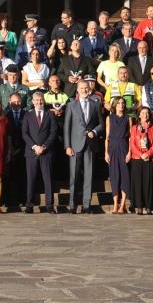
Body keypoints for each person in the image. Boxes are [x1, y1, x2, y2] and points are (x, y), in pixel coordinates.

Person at [64, 81, 104, 214]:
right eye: (81, 88)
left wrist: (95, 131)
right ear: (77, 90)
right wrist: (67, 146)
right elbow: (67, 127)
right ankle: (73, 205)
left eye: (86, 88)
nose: (84, 90)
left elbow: (101, 124)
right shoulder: (71, 105)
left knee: (89, 176)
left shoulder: (96, 104)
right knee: (74, 177)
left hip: (90, 145)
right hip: (75, 145)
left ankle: (87, 205)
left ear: (90, 89)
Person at [22, 92, 58, 213]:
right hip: (31, 152)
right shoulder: (27, 115)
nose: (39, 102)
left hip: (46, 152)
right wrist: (34, 147)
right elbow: (24, 133)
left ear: (44, 100)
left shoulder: (50, 114)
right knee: (30, 178)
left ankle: (49, 205)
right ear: (32, 102)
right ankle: (29, 204)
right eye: (36, 100)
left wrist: (44, 146)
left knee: (48, 179)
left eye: (41, 100)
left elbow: (53, 132)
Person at [129, 106, 153, 215]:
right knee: (138, 183)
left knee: (149, 183)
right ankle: (139, 206)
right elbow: (132, 144)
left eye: (147, 113)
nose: (145, 115)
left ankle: (149, 206)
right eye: (143, 112)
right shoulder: (134, 128)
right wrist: (141, 154)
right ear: (139, 115)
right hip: (138, 159)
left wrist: (148, 153)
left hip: (151, 158)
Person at [104, 97, 132, 214]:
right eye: (118, 103)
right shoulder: (109, 118)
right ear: (114, 105)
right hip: (112, 148)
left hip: (124, 147)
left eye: (123, 103)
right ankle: (115, 204)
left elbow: (131, 137)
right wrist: (106, 152)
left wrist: (130, 152)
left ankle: (123, 205)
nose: (121, 105)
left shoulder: (128, 118)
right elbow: (107, 137)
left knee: (125, 176)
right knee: (114, 176)